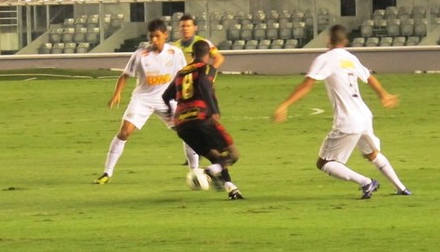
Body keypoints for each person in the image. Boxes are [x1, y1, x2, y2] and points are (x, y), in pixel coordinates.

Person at [274, 24, 410, 199]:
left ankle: (366, 182)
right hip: (364, 115)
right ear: (345, 41)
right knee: (371, 153)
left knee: (325, 162)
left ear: (328, 39)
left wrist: (285, 104)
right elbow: (369, 77)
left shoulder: (326, 58)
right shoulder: (350, 58)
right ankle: (401, 188)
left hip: (348, 119)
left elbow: (307, 84)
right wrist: (384, 95)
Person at [94, 19, 198, 184]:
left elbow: (184, 75)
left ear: (165, 35)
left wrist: (188, 96)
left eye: (157, 36)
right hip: (143, 99)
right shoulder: (140, 55)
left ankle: (195, 172)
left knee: (188, 133)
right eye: (151, 37)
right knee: (125, 132)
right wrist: (117, 94)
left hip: (167, 99)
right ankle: (107, 172)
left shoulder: (175, 53)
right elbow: (125, 75)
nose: (154, 40)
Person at [162, 40, 243, 200]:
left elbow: (166, 96)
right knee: (232, 154)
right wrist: (214, 110)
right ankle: (207, 172)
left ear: (192, 55)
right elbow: (206, 87)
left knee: (215, 157)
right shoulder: (207, 68)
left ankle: (232, 189)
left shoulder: (181, 72)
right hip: (201, 117)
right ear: (208, 55)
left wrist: (171, 115)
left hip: (182, 125)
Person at [172, 13, 225, 165]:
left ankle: (213, 149)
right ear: (178, 28)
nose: (185, 29)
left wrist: (209, 75)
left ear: (195, 27)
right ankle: (196, 153)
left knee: (204, 119)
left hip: (201, 88)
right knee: (188, 120)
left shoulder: (202, 43)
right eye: (183, 26)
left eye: (188, 25)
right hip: (185, 90)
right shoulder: (174, 47)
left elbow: (219, 58)